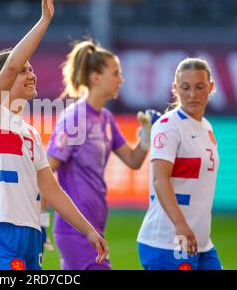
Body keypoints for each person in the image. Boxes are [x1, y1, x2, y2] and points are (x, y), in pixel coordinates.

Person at [0, 0, 108, 270]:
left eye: (31, 69)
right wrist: (44, 21)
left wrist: (88, 230)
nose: (30, 74)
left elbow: (51, 188)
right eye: (23, 71)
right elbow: (9, 67)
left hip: (31, 232)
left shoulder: (30, 132)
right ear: (5, 82)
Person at [46, 40, 157, 270]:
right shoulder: (74, 118)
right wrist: (38, 220)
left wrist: (146, 136)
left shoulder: (106, 118)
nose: (121, 79)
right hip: (75, 227)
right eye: (115, 73)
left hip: (95, 224)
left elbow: (133, 161)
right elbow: (46, 171)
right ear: (96, 78)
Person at [137, 58, 222, 270]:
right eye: (185, 88)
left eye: (199, 87)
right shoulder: (168, 126)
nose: (192, 94)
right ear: (175, 89)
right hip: (169, 240)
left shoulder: (206, 127)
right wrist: (181, 225)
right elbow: (159, 178)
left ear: (211, 87)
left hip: (201, 243)